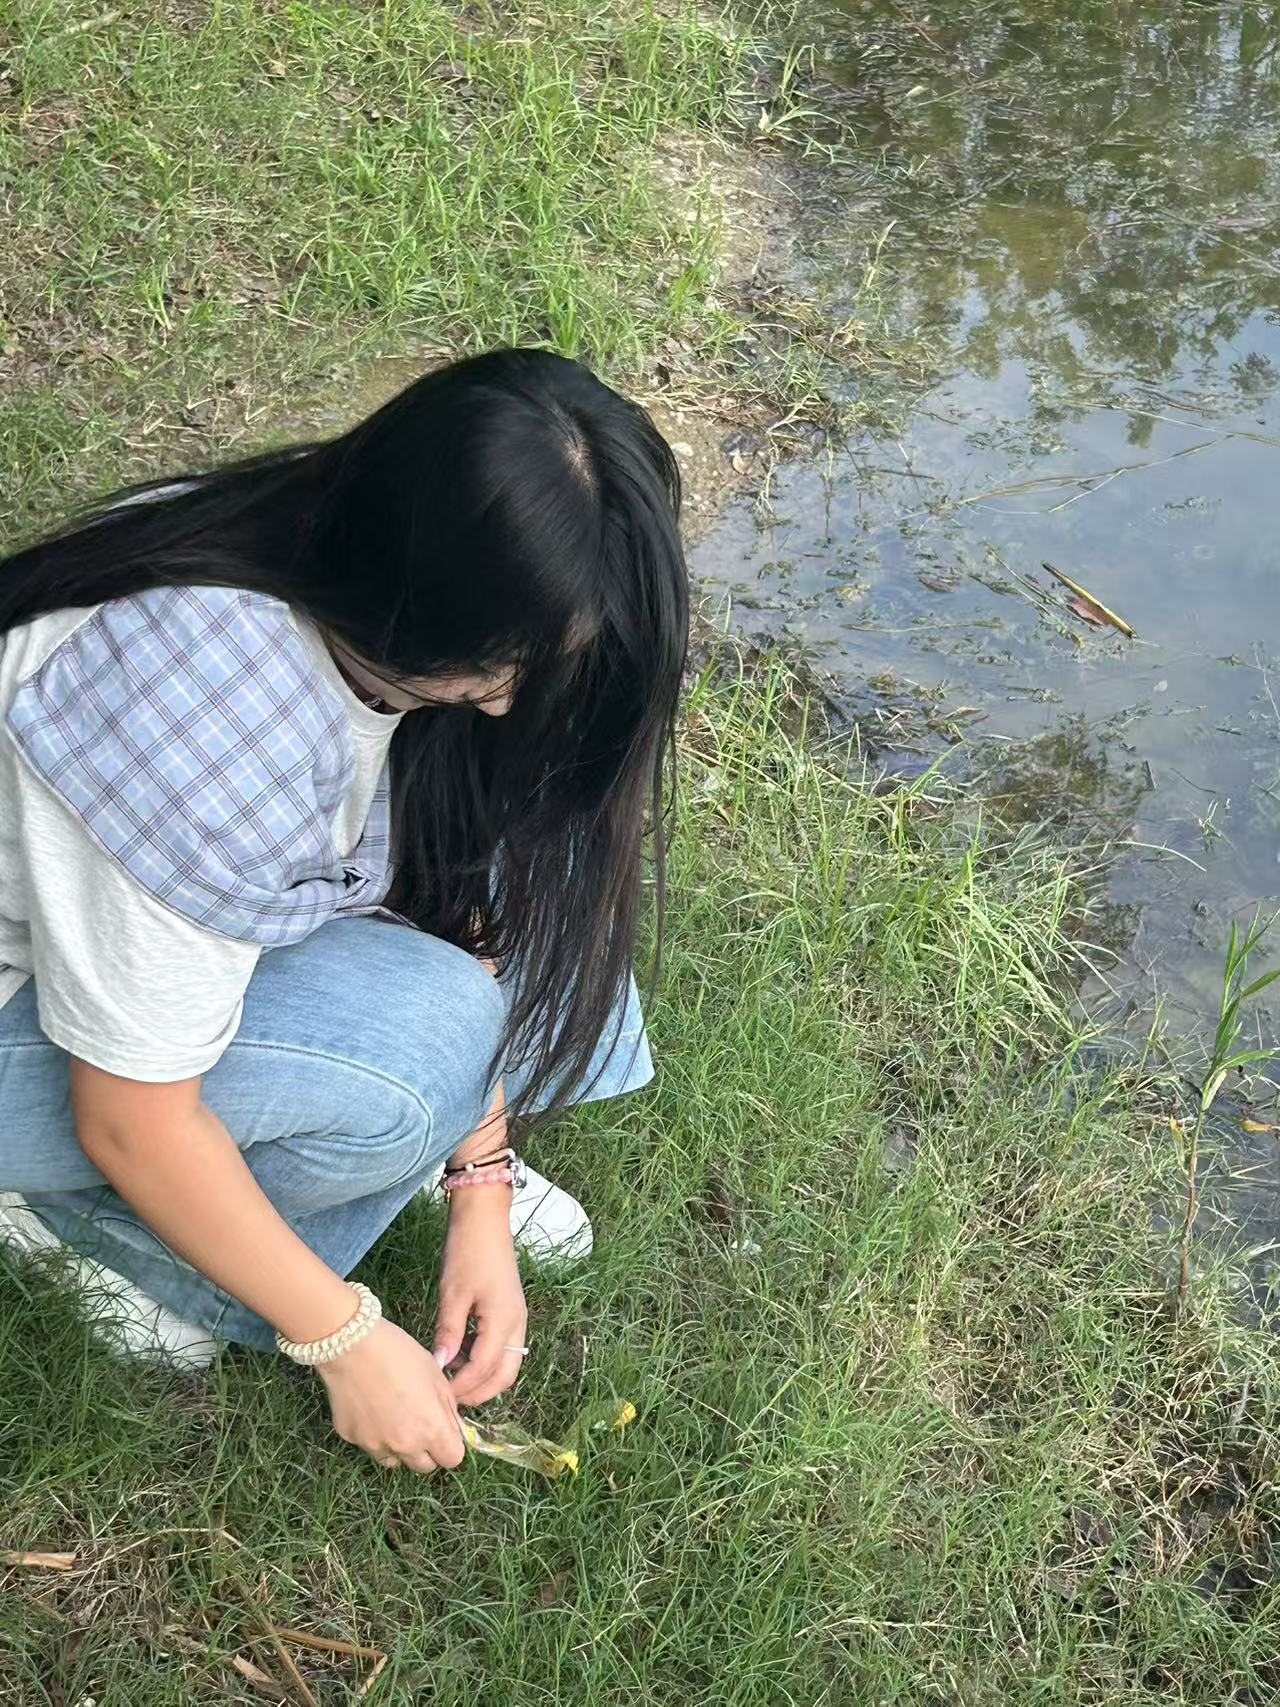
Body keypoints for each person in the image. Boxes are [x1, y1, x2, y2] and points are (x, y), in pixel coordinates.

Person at [0, 347, 688, 1475]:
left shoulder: (339, 547)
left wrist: (478, 1181)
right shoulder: (205, 725)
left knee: (552, 818)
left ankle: (397, 1146)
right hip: (34, 1015)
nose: (516, 695)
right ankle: (74, 1221)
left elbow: (460, 880)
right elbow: (131, 1116)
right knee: (424, 1046)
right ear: (423, 611)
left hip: (142, 922)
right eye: (511, 661)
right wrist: (344, 1336)